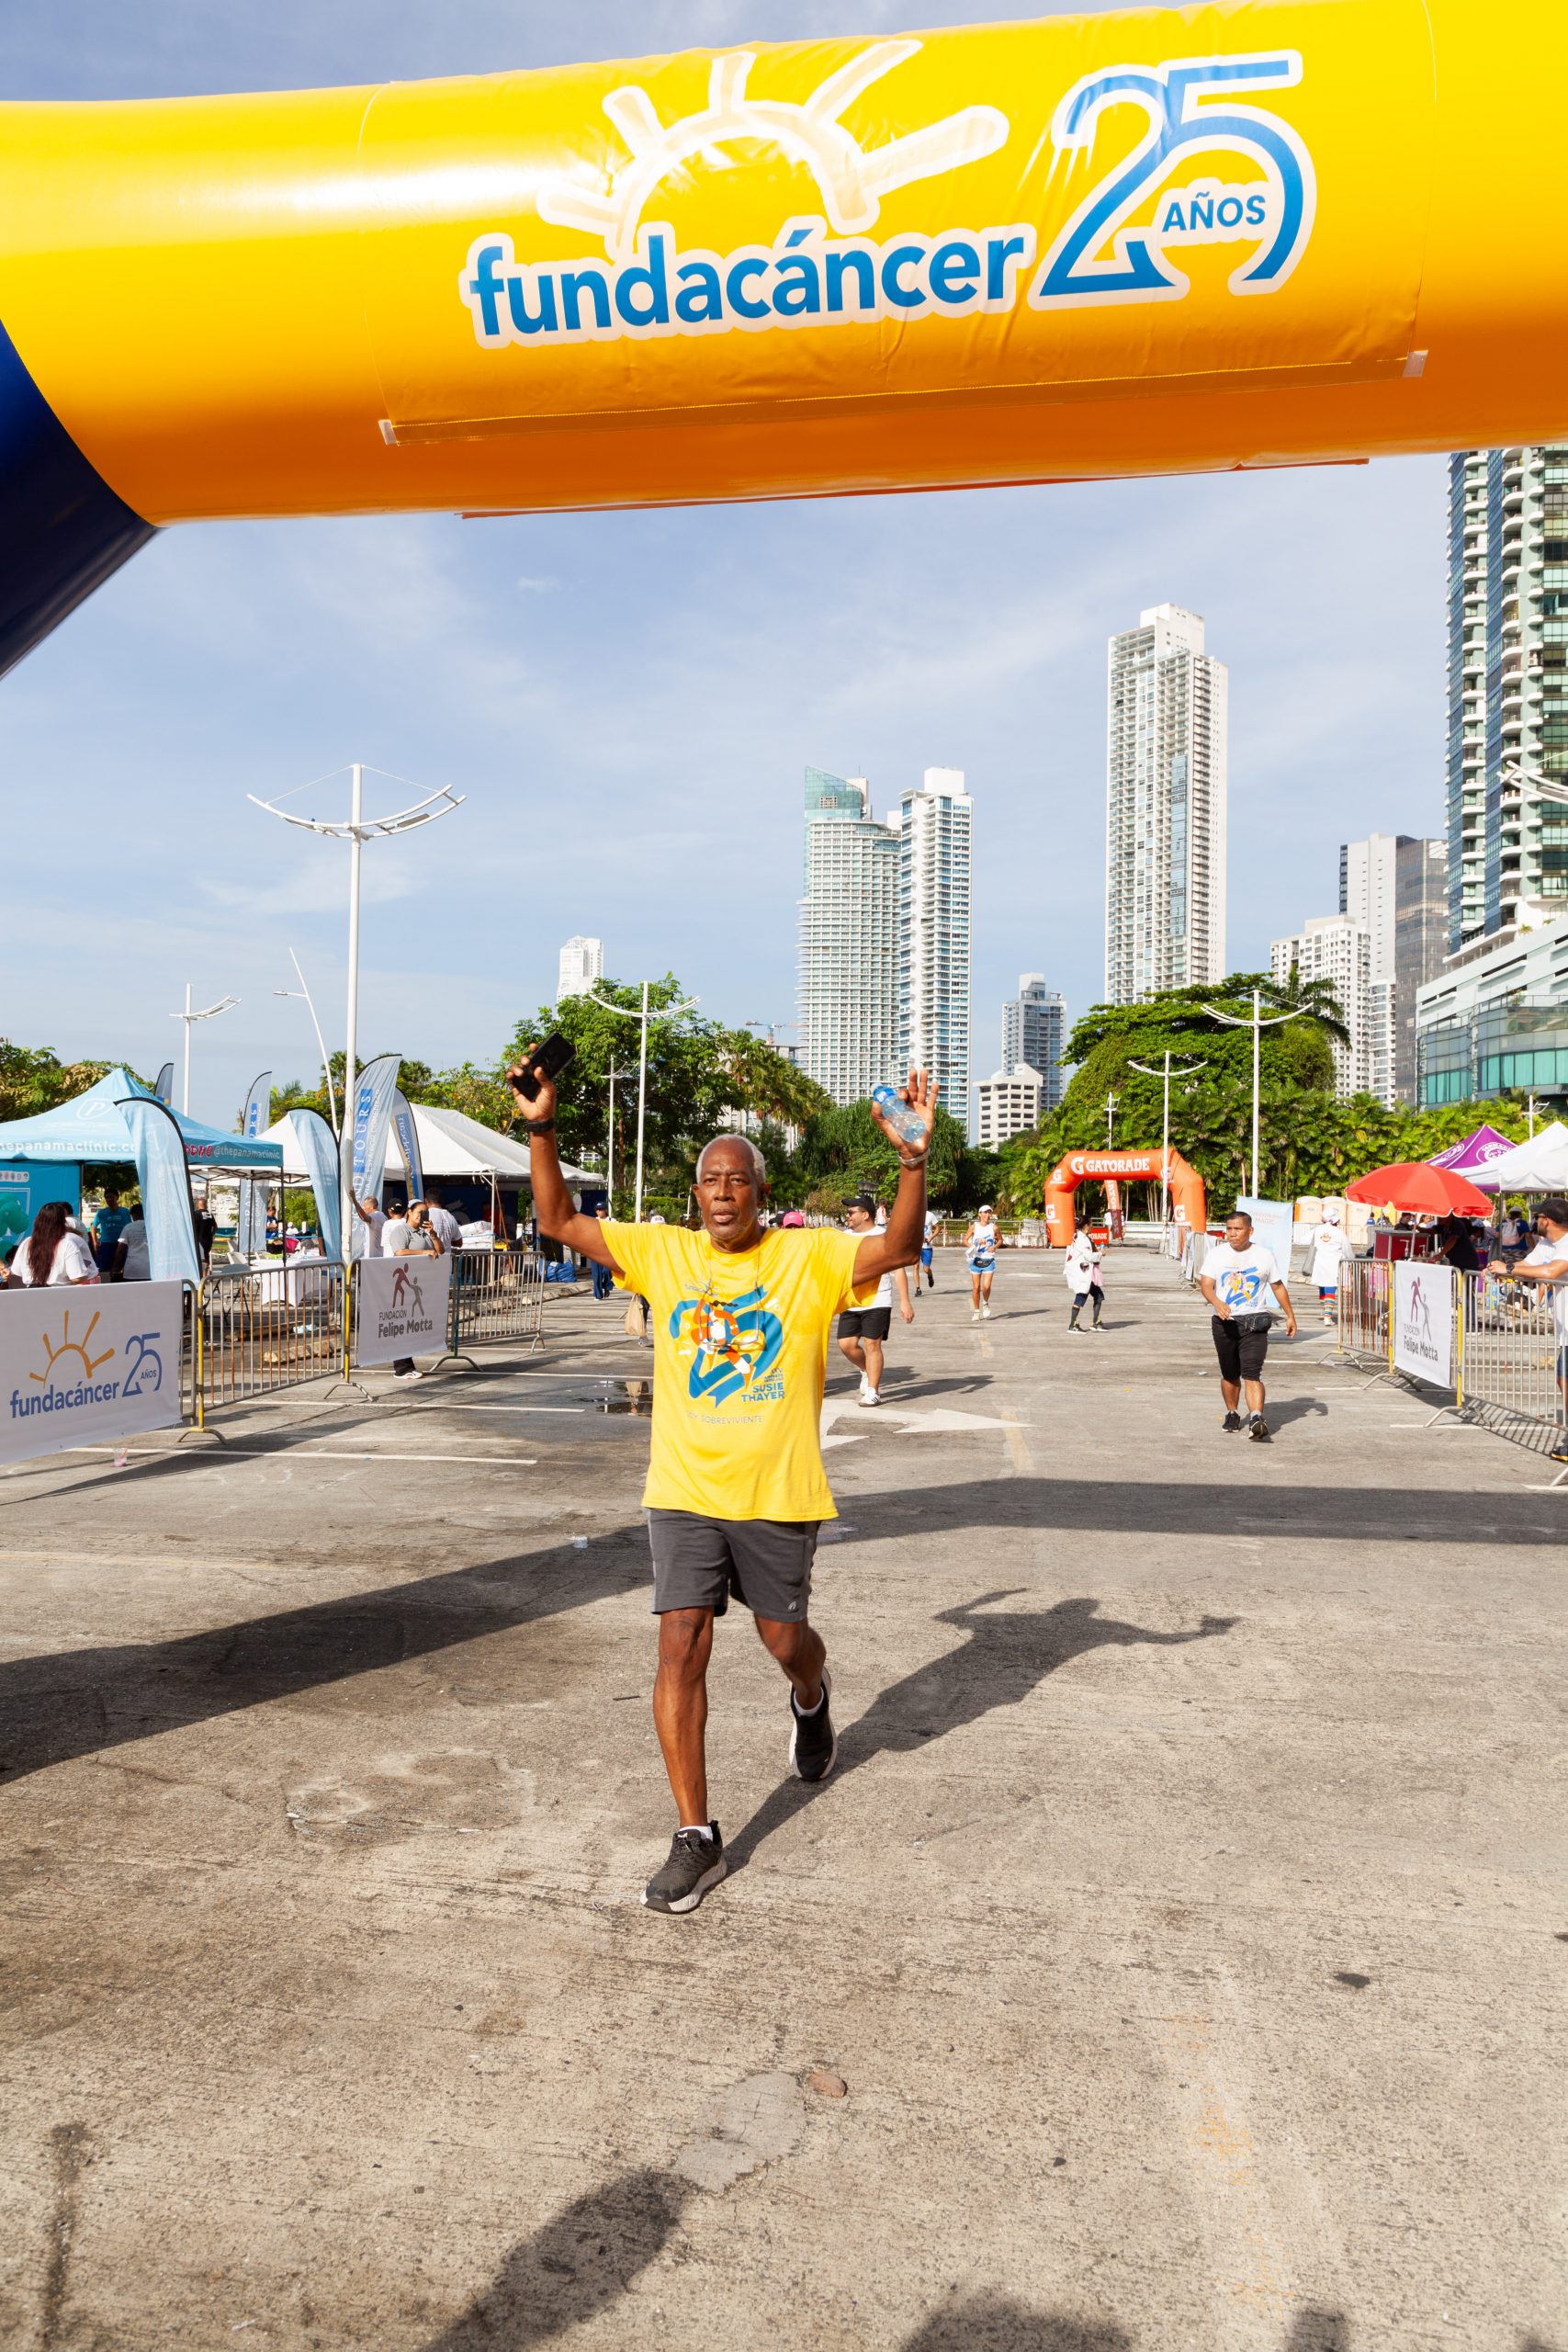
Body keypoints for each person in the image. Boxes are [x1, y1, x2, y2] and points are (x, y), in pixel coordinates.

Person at [511, 1046, 938, 1916]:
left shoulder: (808, 1258)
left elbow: (899, 1246)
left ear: (758, 1192)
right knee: (678, 1644)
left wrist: (911, 1161)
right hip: (683, 1492)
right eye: (709, 1180)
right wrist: (542, 1128)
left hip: (778, 1493)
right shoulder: (660, 1253)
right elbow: (556, 1220)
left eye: (737, 1179)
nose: (721, 1192)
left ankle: (811, 1696)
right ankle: (695, 1836)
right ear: (695, 1194)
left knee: (785, 1641)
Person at [1199, 1207, 1298, 1442]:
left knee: (1252, 1373)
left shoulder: (1264, 1255)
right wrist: (1217, 1302)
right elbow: (1206, 1285)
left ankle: (1256, 1418)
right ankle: (1232, 1413)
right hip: (1224, 1322)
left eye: (1238, 1229)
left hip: (1255, 1322)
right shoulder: (1216, 1254)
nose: (1232, 1233)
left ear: (1250, 1231)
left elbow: (1277, 1286)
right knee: (1230, 1373)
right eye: (1229, 1229)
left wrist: (1290, 1315)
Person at [1487, 1197, 1568, 1461]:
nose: (1534, 1221)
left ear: (1548, 1220)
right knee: (1563, 1380)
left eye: (1538, 1216)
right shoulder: (1548, 1243)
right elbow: (1530, 1265)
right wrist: (1501, 1270)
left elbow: (1552, 1271)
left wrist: (1508, 1268)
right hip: (1565, 1328)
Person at [836, 1194, 915, 1405]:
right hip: (851, 1300)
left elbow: (898, 1270)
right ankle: (865, 1370)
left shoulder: (884, 1236)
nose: (847, 1216)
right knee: (846, 1345)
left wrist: (905, 1301)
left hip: (879, 1299)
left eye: (851, 1212)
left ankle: (873, 1391)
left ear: (865, 1215)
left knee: (872, 1344)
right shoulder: (845, 1237)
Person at [380, 1197, 444, 1382]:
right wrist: (425, 1252)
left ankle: (408, 1365)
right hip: (402, 1284)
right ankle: (402, 1367)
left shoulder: (424, 1233)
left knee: (412, 1326)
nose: (422, 1216)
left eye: (425, 1213)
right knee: (402, 1325)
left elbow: (439, 1251)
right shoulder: (400, 1230)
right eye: (419, 1212)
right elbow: (399, 1252)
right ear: (409, 1212)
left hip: (419, 1283)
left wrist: (433, 1235)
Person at [5, 1200, 99, 1288]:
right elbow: (78, 1277)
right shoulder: (67, 1244)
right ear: (62, 1221)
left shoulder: (27, 1242)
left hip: (31, 1293)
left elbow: (16, 1271)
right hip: (60, 1293)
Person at [1306, 1208, 1350, 1325]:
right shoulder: (1339, 1233)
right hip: (1333, 1263)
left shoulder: (1317, 1230)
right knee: (1330, 1287)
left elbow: (1302, 1240)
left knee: (1323, 1287)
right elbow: (1347, 1250)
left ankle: (1326, 1312)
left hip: (1319, 1263)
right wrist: (1350, 1260)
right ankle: (1327, 1317)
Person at [1063, 1227, 1103, 1331]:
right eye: (1090, 1225)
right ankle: (1073, 1325)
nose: (1091, 1227)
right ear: (1086, 1226)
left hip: (1088, 1274)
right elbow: (1089, 1256)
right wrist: (1100, 1254)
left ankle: (1095, 1322)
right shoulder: (1082, 1239)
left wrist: (1096, 1250)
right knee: (1080, 1298)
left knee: (1099, 1296)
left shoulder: (1082, 1237)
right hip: (1084, 1274)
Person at [964, 1204, 999, 1319]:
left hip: (989, 1259)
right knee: (976, 1287)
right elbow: (965, 1240)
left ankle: (985, 1303)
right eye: (985, 1212)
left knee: (986, 1286)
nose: (987, 1215)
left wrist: (994, 1247)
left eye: (989, 1213)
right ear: (979, 1214)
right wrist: (972, 1246)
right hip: (975, 1260)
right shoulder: (974, 1227)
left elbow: (1000, 1240)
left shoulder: (994, 1227)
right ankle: (976, 1312)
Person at [91, 1188, 130, 1276]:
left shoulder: (125, 1211)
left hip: (122, 1244)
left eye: (111, 1197)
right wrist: (95, 1242)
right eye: (107, 1197)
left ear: (117, 1197)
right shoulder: (101, 1213)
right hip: (106, 1245)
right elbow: (93, 1226)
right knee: (105, 1269)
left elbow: (129, 1226)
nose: (109, 1199)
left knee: (121, 1268)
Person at [112, 1204, 151, 1283]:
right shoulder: (152, 1226)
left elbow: (121, 1250)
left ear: (133, 1215)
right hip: (151, 1269)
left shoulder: (128, 1227)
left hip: (133, 1270)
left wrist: (115, 1267)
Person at [424, 1188, 464, 1253]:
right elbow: (459, 1243)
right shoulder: (451, 1217)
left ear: (425, 1201)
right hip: (447, 1258)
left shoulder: (424, 1216)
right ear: (441, 1201)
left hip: (430, 1257)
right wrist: (446, 1241)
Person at [353, 1193, 387, 1257]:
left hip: (375, 1257)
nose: (363, 1208)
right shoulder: (379, 1215)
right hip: (374, 1256)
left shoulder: (377, 1215)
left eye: (365, 1206)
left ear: (372, 1207)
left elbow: (363, 1217)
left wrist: (354, 1200)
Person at [920, 1207, 938, 1289]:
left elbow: (938, 1228)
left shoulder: (930, 1215)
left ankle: (930, 1276)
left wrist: (931, 1237)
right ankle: (918, 1288)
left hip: (927, 1246)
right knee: (915, 1267)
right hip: (916, 1246)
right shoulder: (914, 1214)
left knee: (926, 1269)